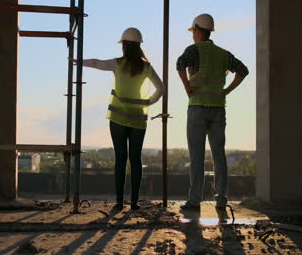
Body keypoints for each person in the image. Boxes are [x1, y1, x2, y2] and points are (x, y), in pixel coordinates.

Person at [71, 27, 164, 210]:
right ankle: (135, 203)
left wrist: (79, 62)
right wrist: (147, 102)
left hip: (118, 119)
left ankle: (119, 202)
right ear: (138, 46)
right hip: (138, 119)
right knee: (135, 159)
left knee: (120, 159)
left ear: (125, 46)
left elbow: (98, 63)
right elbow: (161, 88)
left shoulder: (117, 64)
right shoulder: (146, 67)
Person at [176, 14, 249, 211]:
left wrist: (187, 87)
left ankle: (194, 200)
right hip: (218, 109)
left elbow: (179, 64)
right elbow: (243, 70)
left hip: (198, 107)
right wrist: (227, 91)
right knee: (219, 155)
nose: (193, 36)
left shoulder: (194, 50)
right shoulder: (223, 54)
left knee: (197, 156)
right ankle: (221, 199)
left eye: (193, 32)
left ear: (199, 31)